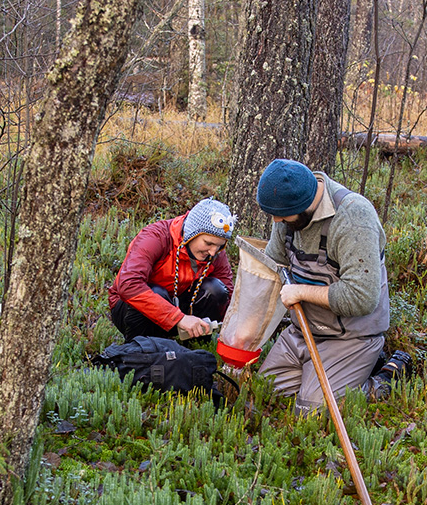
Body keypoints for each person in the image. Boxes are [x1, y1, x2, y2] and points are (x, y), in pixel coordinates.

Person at [255, 158, 398, 411]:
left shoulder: (354, 217)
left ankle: (385, 377)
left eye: (282, 216)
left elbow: (361, 297)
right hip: (303, 332)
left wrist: (300, 291)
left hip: (351, 337)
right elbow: (274, 265)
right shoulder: (287, 215)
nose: (276, 221)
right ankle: (337, 374)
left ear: (304, 204)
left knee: (311, 410)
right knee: (265, 393)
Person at [109, 198, 235, 342]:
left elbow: (228, 294)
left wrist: (235, 329)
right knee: (157, 292)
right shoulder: (156, 237)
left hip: (178, 306)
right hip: (132, 307)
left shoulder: (215, 252)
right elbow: (128, 285)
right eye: (208, 243)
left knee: (216, 290)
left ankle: (195, 347)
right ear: (192, 233)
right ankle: (141, 349)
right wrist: (178, 318)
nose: (213, 252)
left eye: (220, 246)